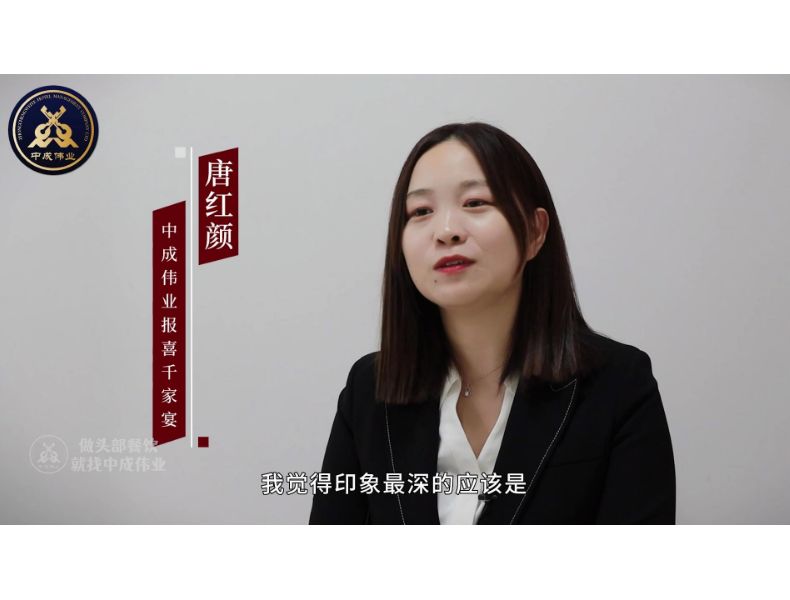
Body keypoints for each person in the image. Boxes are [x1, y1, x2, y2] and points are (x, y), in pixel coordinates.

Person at [309, 122, 675, 524]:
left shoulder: (618, 387)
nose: (446, 231)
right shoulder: (368, 390)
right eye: (421, 211)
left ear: (535, 231)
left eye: (475, 202)